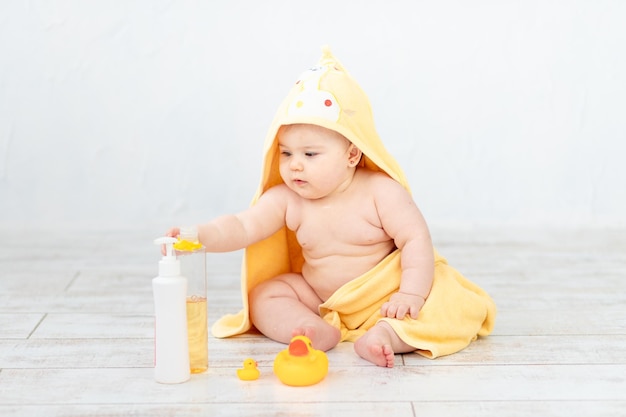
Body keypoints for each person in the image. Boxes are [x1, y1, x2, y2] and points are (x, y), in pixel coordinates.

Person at [166, 47, 496, 368]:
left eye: (310, 155)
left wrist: (410, 295)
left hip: (387, 295)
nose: (295, 165)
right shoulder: (286, 199)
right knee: (266, 294)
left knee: (450, 303)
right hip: (321, 298)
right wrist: (201, 235)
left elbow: (415, 240)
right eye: (286, 153)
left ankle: (386, 336)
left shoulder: (380, 191)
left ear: (352, 155)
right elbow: (242, 226)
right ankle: (308, 328)